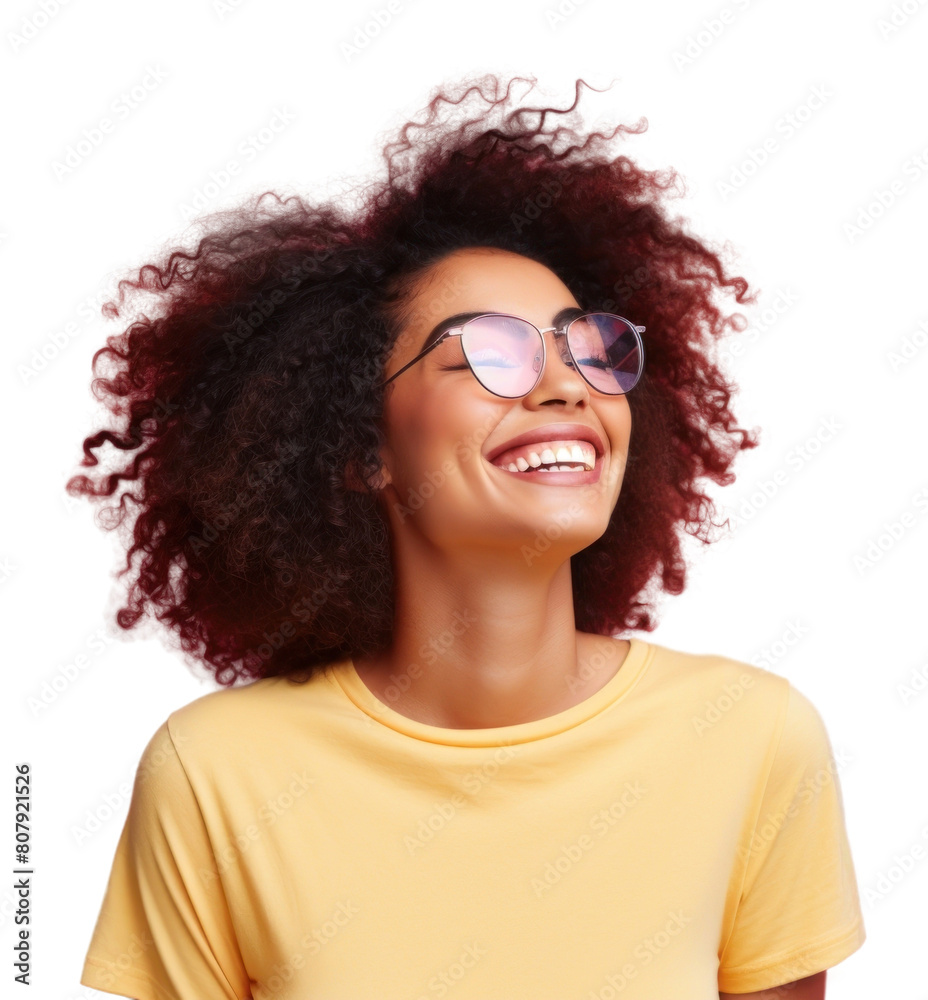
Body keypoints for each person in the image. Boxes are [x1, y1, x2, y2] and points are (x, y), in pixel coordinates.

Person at [71, 75, 865, 999]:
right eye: (490, 351)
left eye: (588, 346)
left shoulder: (754, 741)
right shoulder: (215, 776)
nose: (568, 385)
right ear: (361, 445)